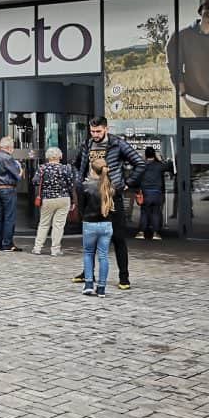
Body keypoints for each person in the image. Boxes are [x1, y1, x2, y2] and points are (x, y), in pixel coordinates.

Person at [71, 116, 145, 290]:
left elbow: (139, 163)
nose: (95, 134)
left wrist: (126, 184)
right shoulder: (87, 145)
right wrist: (79, 181)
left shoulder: (117, 144)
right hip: (90, 195)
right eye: (92, 131)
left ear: (106, 129)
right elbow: (75, 164)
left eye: (98, 131)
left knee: (118, 237)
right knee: (91, 236)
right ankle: (87, 273)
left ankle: (124, 277)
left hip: (111, 195)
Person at [77, 158, 115, 297]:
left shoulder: (85, 186)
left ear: (92, 169)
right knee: (103, 256)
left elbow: (81, 208)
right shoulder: (109, 186)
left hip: (90, 223)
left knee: (88, 253)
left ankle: (88, 284)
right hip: (106, 223)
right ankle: (102, 287)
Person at [31, 147, 74, 256]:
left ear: (47, 157)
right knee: (58, 225)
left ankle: (37, 248)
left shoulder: (42, 168)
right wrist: (73, 201)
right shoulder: (66, 168)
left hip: (48, 199)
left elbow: (35, 181)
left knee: (44, 224)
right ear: (60, 156)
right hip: (63, 198)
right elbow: (70, 185)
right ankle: (55, 250)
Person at [0, 137, 23, 252]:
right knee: (9, 217)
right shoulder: (8, 158)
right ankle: (7, 244)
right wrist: (21, 170)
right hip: (7, 189)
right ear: (9, 147)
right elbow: (17, 176)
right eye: (12, 147)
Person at [135, 147, 172, 241]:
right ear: (154, 154)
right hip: (156, 192)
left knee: (144, 212)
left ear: (145, 155)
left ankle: (141, 233)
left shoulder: (142, 165)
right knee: (155, 212)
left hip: (145, 192)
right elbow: (169, 166)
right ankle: (155, 233)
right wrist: (160, 159)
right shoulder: (159, 165)